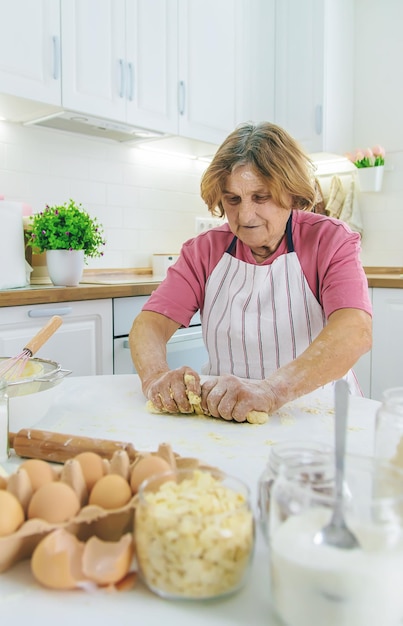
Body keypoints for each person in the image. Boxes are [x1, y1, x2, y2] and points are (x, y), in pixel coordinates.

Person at [129, 122, 372, 422]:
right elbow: (149, 324)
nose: (245, 215)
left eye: (261, 197)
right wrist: (155, 377)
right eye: (233, 199)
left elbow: (355, 331)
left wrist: (271, 391)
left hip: (320, 414)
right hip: (225, 416)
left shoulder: (329, 240)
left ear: (291, 194)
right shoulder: (203, 251)